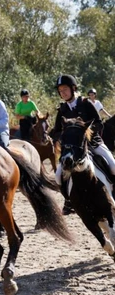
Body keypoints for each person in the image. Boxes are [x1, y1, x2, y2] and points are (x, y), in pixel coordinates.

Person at [52, 74, 115, 215]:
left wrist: (86, 134)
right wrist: (62, 139)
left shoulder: (86, 103)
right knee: (57, 176)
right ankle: (69, 201)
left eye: (65, 89)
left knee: (113, 166)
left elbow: (99, 123)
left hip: (93, 144)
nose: (63, 92)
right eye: (60, 91)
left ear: (73, 88)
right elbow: (56, 132)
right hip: (72, 150)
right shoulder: (62, 110)